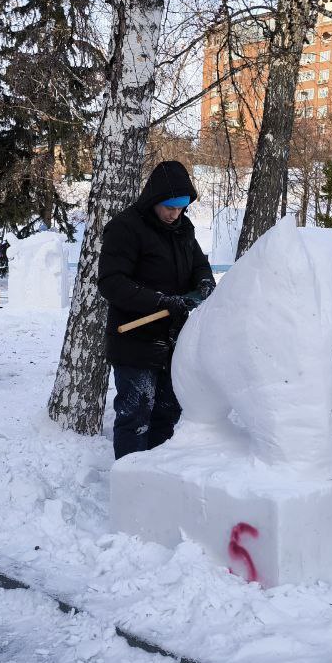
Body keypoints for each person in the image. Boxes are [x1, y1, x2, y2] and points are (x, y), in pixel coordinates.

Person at [99, 160, 215, 460]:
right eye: (169, 207)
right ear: (153, 200)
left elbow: (199, 264)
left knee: (167, 413)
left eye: (181, 207)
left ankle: (156, 484)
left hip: (172, 342)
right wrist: (161, 302)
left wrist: (203, 283)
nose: (174, 213)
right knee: (135, 416)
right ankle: (131, 486)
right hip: (135, 340)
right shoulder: (125, 228)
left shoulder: (182, 229)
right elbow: (111, 283)